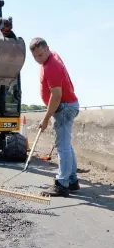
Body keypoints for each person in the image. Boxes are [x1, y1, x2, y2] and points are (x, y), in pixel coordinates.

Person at [29, 37, 80, 197]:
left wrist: (45, 119)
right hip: (68, 105)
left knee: (63, 147)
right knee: (66, 145)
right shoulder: (52, 57)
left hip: (64, 107)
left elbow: (56, 96)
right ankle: (71, 180)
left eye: (41, 55)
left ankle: (62, 184)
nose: (38, 59)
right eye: (35, 56)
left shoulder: (52, 66)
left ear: (47, 49)